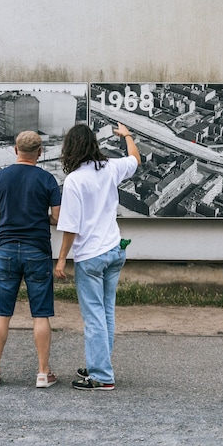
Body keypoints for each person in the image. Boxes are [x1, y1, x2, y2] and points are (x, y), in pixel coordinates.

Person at [55, 122, 140, 391]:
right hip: (115, 250)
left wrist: (60, 260)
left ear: (70, 149)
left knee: (93, 316)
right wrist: (126, 136)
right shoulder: (111, 168)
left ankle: (102, 374)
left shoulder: (74, 180)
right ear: (94, 144)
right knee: (106, 312)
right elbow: (135, 160)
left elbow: (70, 227)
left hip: (90, 257)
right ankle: (99, 363)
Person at [0, 130, 61, 388]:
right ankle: (43, 373)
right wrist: (39, 219)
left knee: (2, 314)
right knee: (40, 315)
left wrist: (7, 219)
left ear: (16, 150)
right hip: (37, 250)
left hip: (6, 250)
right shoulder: (48, 179)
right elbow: (58, 218)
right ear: (40, 152)